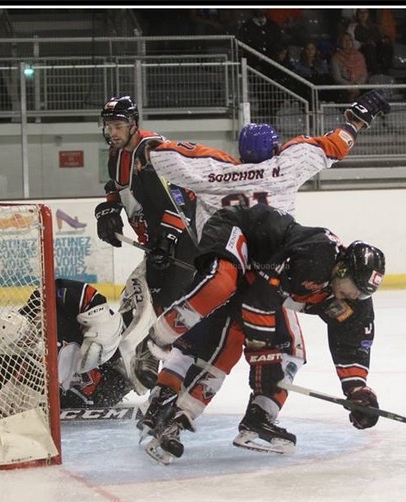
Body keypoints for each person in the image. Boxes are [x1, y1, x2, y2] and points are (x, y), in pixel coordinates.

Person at [136, 90, 390, 463]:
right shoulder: (288, 173)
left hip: (227, 263)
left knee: (203, 345)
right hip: (254, 268)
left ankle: (165, 402)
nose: (352, 295)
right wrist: (356, 120)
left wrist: (139, 148)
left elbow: (168, 156)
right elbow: (333, 146)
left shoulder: (215, 171)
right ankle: (247, 416)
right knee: (267, 348)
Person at [93, 95, 199, 392]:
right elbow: (115, 186)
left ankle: (156, 360)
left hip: (185, 243)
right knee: (137, 296)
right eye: (109, 126)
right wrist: (109, 209)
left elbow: (182, 196)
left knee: (163, 304)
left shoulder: (152, 150)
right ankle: (127, 365)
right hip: (158, 242)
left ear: (133, 124)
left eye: (118, 125)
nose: (113, 131)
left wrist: (168, 237)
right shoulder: (116, 154)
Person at [0, 278, 131, 412]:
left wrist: (98, 339)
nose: (29, 337)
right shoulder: (12, 364)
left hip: (114, 349)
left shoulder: (46, 300)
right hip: (103, 386)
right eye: (23, 340)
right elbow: (1, 394)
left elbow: (89, 299)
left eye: (27, 332)